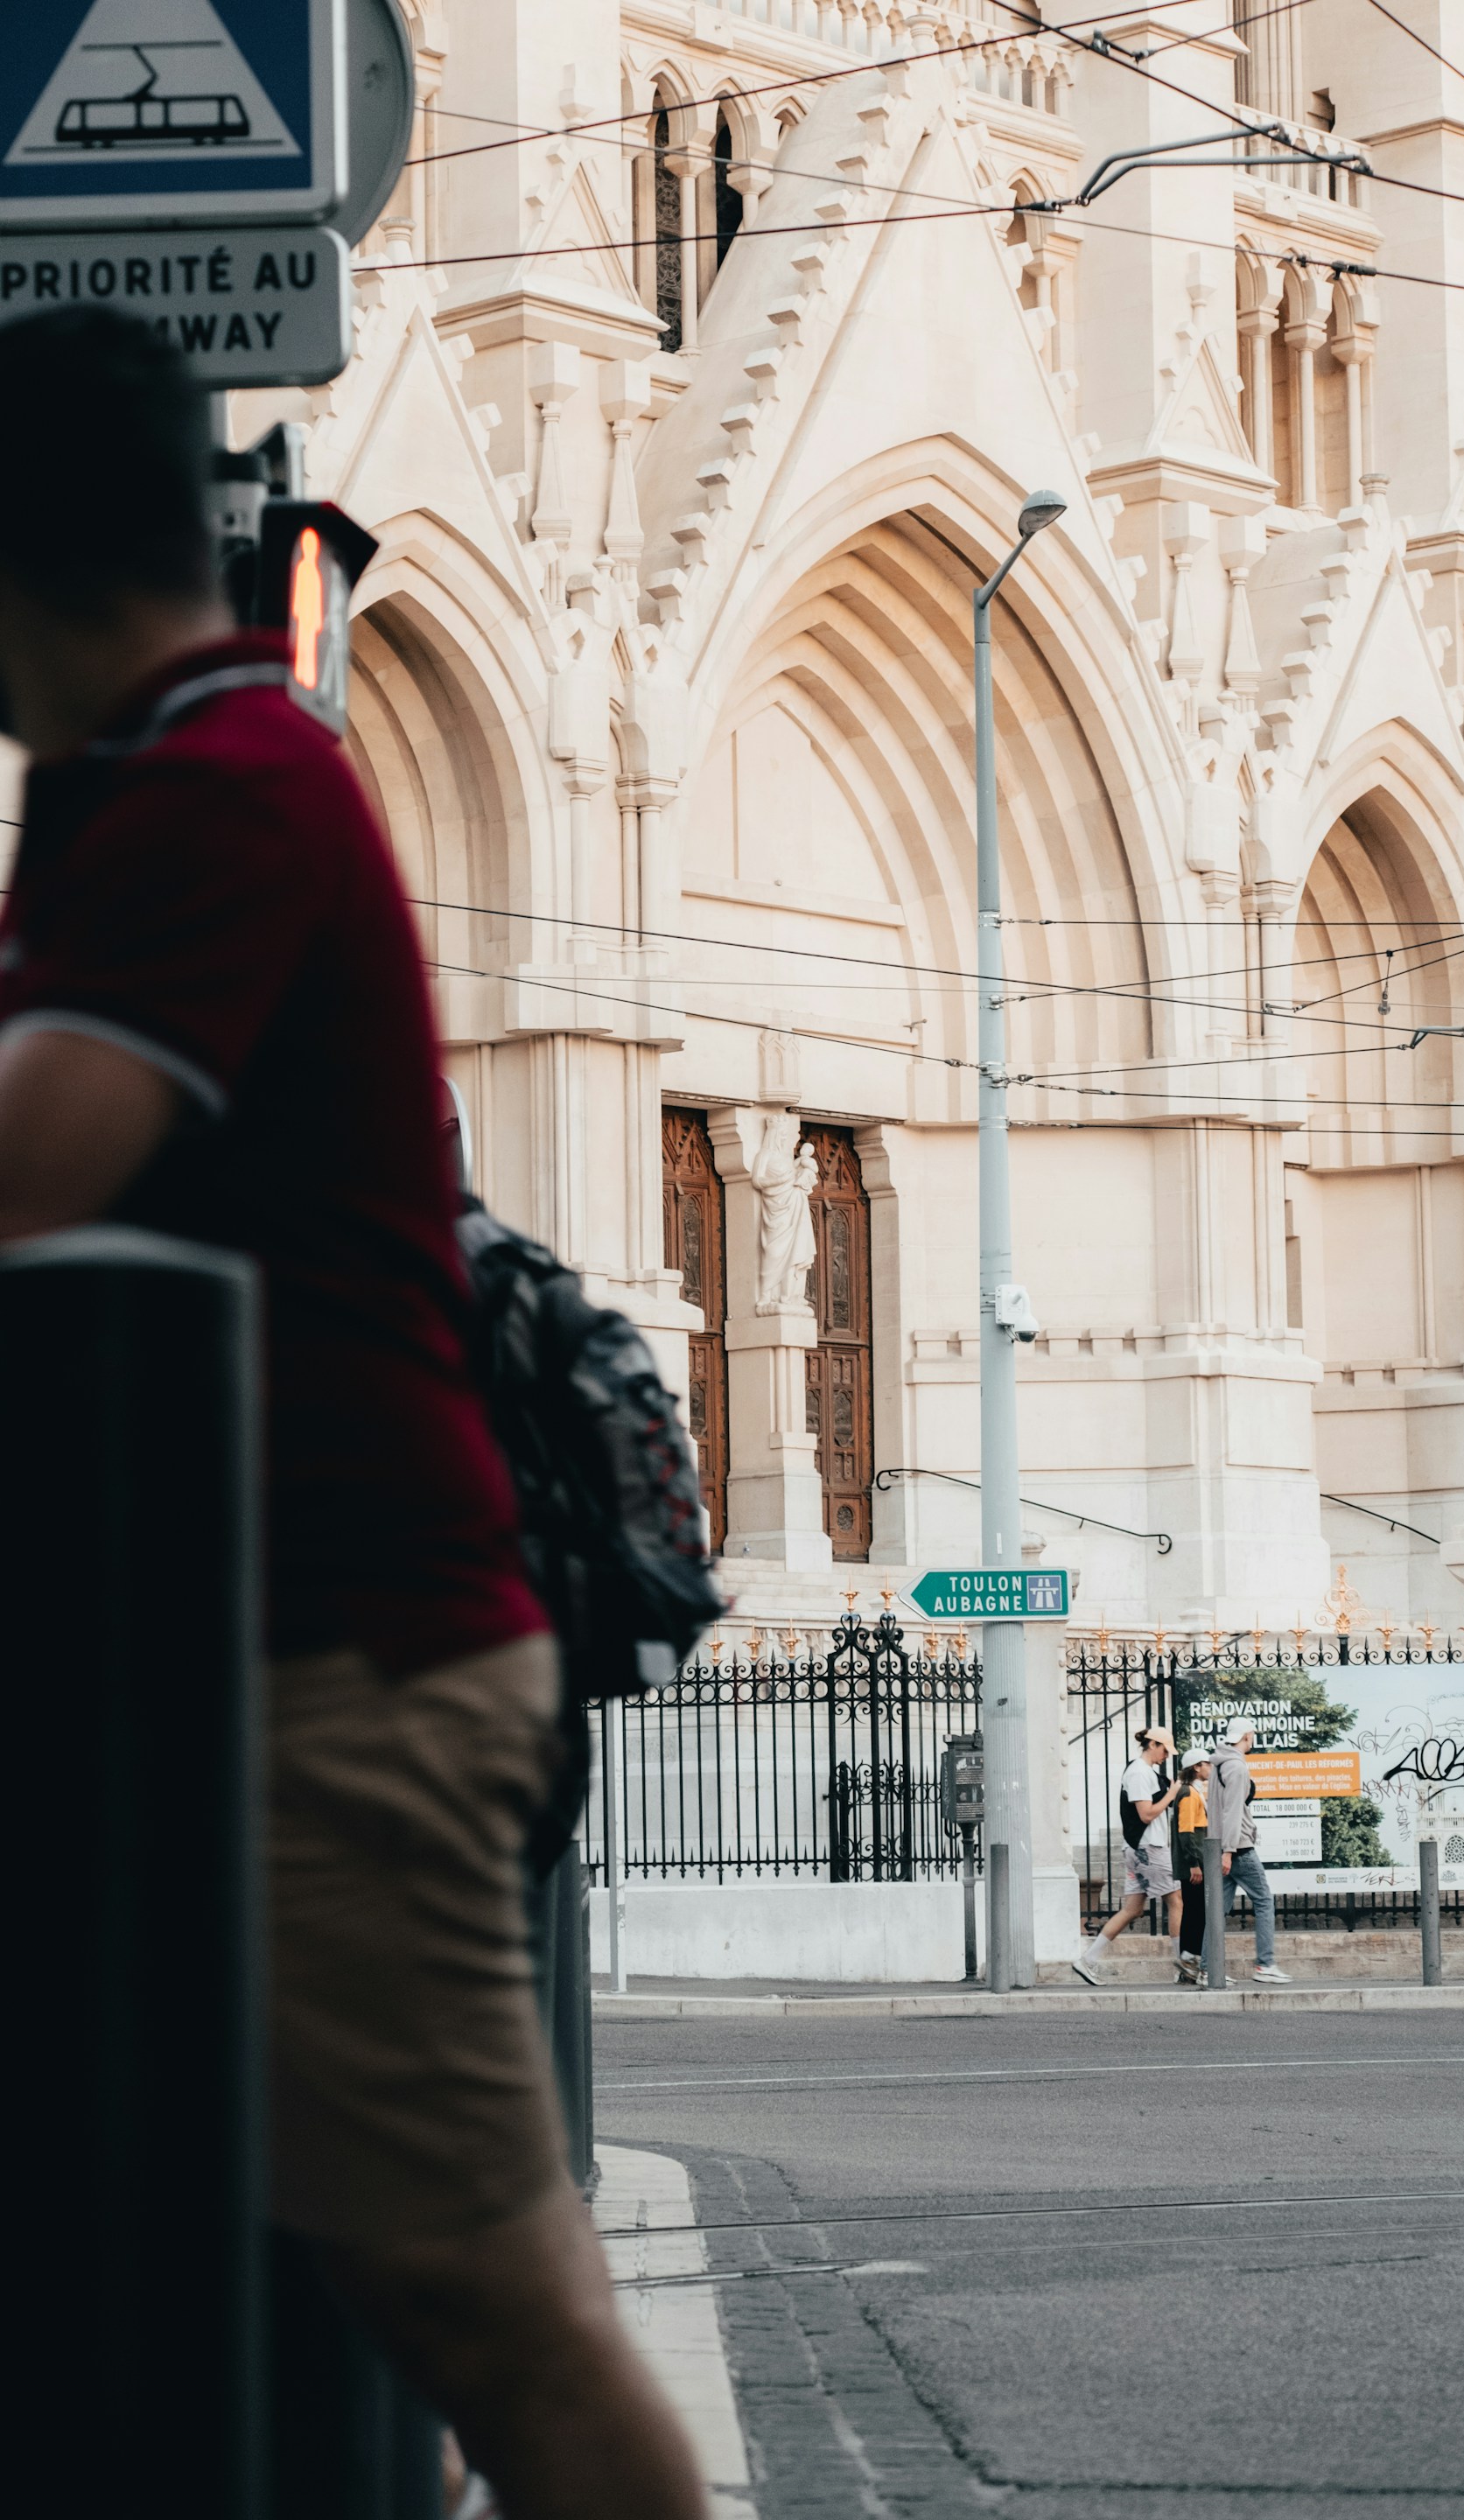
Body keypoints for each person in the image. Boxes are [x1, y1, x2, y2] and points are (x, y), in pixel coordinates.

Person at [0, 307, 704, 2520]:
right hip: (255, 1653)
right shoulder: (152, 779)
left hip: (352, 1664)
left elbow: (37, 1162)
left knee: (487, 2300)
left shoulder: (219, 786)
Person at [1072, 1722, 1182, 1982]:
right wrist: (1173, 1793)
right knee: (1176, 1900)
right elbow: (1146, 1814)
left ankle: (1087, 1960)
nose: (1167, 1756)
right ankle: (1185, 1965)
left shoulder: (1145, 1772)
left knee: (1132, 1909)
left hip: (1138, 1849)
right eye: (1165, 1750)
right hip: (1148, 1848)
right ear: (1152, 1745)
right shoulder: (1139, 1773)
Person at [1207, 1716, 1292, 1985]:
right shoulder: (1237, 1768)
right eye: (1252, 1735)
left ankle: (1207, 1967)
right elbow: (1232, 1812)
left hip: (1219, 1844)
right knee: (1264, 1901)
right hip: (1238, 1848)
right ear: (1246, 1736)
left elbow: (1217, 1809)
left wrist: (1221, 1849)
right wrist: (1229, 1851)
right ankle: (1265, 1965)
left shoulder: (1217, 1764)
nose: (1253, 1740)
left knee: (1217, 1909)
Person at [1171, 1748, 1214, 1986]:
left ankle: (1188, 1965)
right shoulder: (1188, 1793)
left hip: (1194, 1862)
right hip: (1194, 1864)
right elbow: (1186, 1832)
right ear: (1197, 1767)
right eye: (1207, 1763)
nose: (1210, 1767)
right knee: (1196, 1912)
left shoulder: (1193, 1792)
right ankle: (1189, 1957)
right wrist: (1194, 1865)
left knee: (1195, 1911)